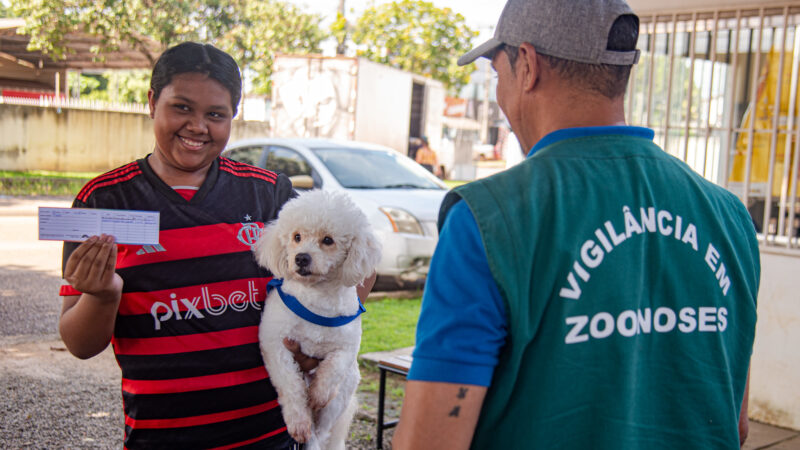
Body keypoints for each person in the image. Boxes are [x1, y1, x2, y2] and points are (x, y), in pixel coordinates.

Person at [393, 1, 760, 449]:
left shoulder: (488, 219)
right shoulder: (728, 216)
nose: (500, 98)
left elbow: (431, 442)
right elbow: (735, 422)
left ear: (527, 66)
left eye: (497, 75)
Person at [58, 42, 373, 449]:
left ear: (233, 117)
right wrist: (104, 295)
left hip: (271, 436)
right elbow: (79, 344)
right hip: (160, 438)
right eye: (182, 107)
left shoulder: (267, 194)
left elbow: (359, 268)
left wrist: (324, 338)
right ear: (152, 101)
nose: (198, 126)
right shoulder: (104, 201)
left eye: (215, 115)